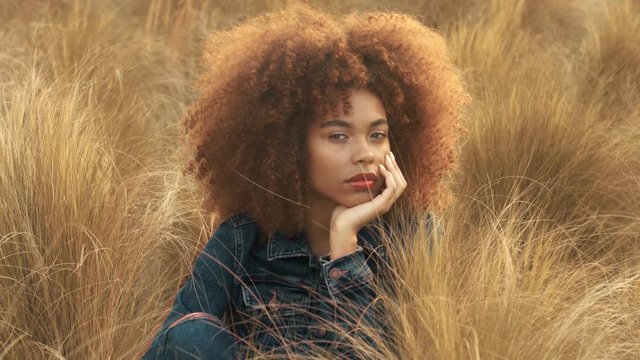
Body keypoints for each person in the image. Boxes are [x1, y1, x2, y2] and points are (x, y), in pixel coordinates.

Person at [141, 3, 467, 359]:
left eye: (377, 135)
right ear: (289, 147)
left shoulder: (415, 239)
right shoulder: (242, 239)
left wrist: (345, 244)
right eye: (339, 136)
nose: (366, 155)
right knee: (191, 332)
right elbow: (171, 345)